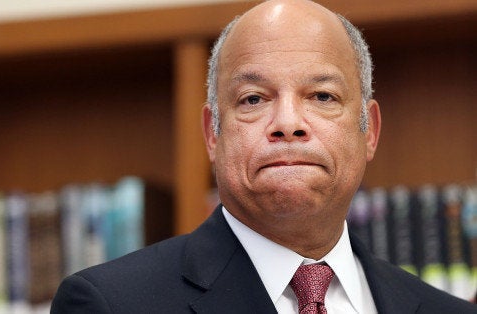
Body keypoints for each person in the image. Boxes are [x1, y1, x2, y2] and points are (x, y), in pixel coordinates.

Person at [51, 0, 477, 313]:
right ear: (212, 135)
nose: (288, 122)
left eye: (322, 96)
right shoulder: (111, 305)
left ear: (370, 132)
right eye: (253, 99)